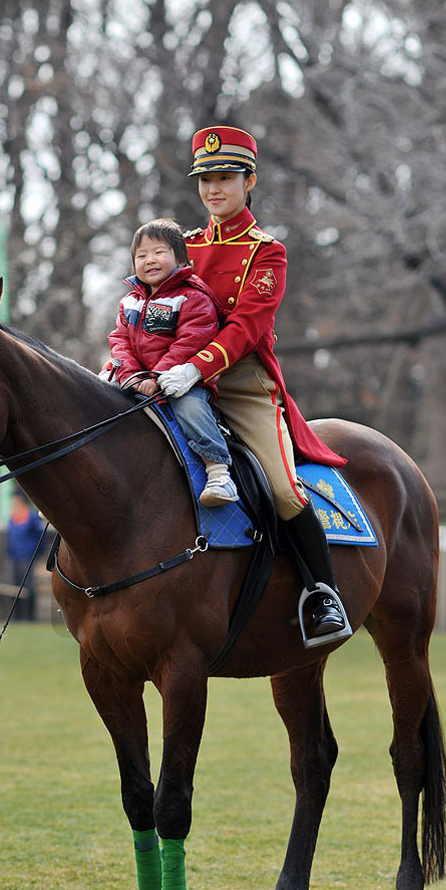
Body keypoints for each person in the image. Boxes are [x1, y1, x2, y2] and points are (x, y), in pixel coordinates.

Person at [156, 125, 350, 644]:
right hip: (171, 374)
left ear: (250, 181)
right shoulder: (184, 246)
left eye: (225, 177)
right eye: (205, 180)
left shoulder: (267, 251)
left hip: (239, 383)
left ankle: (322, 596)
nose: (213, 189)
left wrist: (198, 368)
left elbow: (249, 326)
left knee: (285, 490)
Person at [101, 217, 239, 506]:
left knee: (190, 408)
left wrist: (158, 375)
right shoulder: (129, 302)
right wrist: (133, 377)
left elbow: (192, 340)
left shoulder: (192, 297)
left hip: (180, 380)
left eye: (159, 252)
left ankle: (217, 469)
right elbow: (119, 340)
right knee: (92, 401)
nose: (150, 260)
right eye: (141, 255)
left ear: (180, 258)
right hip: (137, 380)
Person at [6, 491, 47, 620]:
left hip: (28, 556)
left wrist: (38, 552)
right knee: (15, 585)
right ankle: (17, 616)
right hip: (15, 556)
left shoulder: (31, 516)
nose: (14, 502)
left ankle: (30, 616)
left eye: (16, 499)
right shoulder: (13, 517)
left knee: (28, 585)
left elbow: (41, 536)